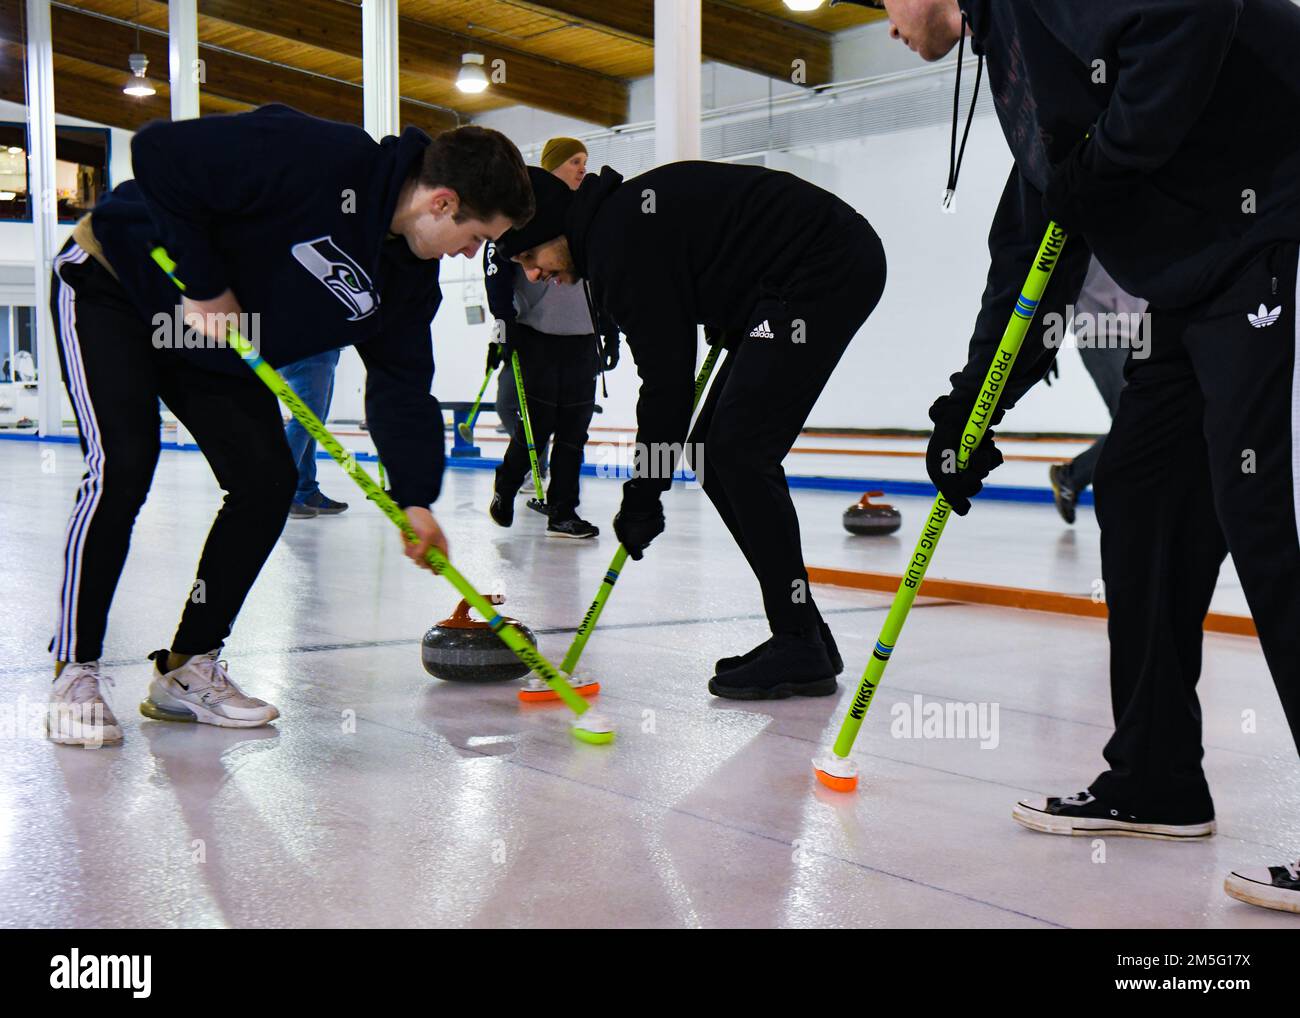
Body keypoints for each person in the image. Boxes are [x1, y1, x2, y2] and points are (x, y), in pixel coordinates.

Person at [875, 0, 1300, 914]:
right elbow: (1039, 236)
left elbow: (1192, 16)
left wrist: (1103, 165)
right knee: (1143, 496)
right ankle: (1155, 781)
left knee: (1267, 523)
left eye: (879, 0)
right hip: (1196, 283)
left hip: (1276, 222)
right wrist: (969, 411)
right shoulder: (1014, 61)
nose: (885, 25)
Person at [46, 104, 532, 747]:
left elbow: (401, 386)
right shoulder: (320, 155)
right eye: (476, 236)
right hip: (116, 285)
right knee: (125, 462)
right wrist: (205, 283)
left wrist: (414, 497)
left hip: (216, 339)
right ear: (442, 203)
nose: (472, 252)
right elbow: (161, 151)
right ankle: (73, 671)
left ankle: (187, 668)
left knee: (267, 480)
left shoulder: (411, 279)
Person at [495, 160, 886, 698]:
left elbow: (666, 386)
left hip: (822, 266)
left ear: (555, 232)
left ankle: (798, 640)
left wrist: (643, 495)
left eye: (531, 257)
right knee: (709, 449)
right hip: (789, 279)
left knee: (739, 451)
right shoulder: (616, 225)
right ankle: (807, 637)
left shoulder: (618, 244)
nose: (534, 274)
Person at [483, 138, 619, 539]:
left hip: (581, 338)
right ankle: (506, 485)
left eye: (585, 161)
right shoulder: (527, 212)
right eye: (575, 161)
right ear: (553, 166)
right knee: (537, 425)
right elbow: (496, 268)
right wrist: (503, 320)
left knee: (575, 430)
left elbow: (603, 276)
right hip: (537, 335)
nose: (582, 168)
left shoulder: (591, 218)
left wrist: (609, 331)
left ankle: (563, 510)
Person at [1047, 259, 1147, 524]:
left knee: (1151, 420)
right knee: (1134, 419)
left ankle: (1072, 477)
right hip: (1099, 330)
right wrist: (1045, 345)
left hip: (1145, 333)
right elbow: (1057, 280)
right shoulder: (1084, 221)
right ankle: (1072, 477)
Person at [282, 349, 350, 518]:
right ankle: (279, 492)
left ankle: (305, 490)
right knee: (305, 422)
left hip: (321, 351)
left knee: (313, 426)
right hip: (311, 350)